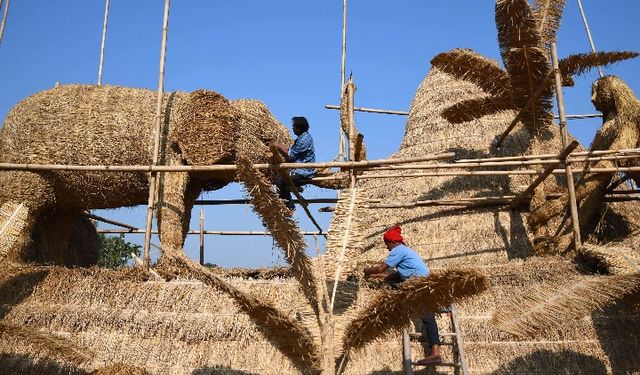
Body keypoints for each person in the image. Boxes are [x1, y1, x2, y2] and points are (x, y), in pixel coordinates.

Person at [363, 225, 442, 366]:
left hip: (419, 284)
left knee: (427, 316)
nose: (387, 248)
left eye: (386, 244)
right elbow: (397, 274)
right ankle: (435, 353)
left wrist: (367, 270)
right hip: (420, 281)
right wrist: (380, 276)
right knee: (394, 281)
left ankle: (436, 354)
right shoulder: (405, 251)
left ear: (392, 242)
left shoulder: (398, 250)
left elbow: (381, 268)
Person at [270, 116, 316, 210]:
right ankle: (290, 194)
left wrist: (276, 145)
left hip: (304, 171)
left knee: (280, 180)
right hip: (299, 169)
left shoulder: (303, 139)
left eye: (294, 127)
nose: (292, 128)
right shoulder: (303, 137)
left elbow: (290, 155)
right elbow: (292, 149)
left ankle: (288, 206)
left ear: (299, 128)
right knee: (282, 181)